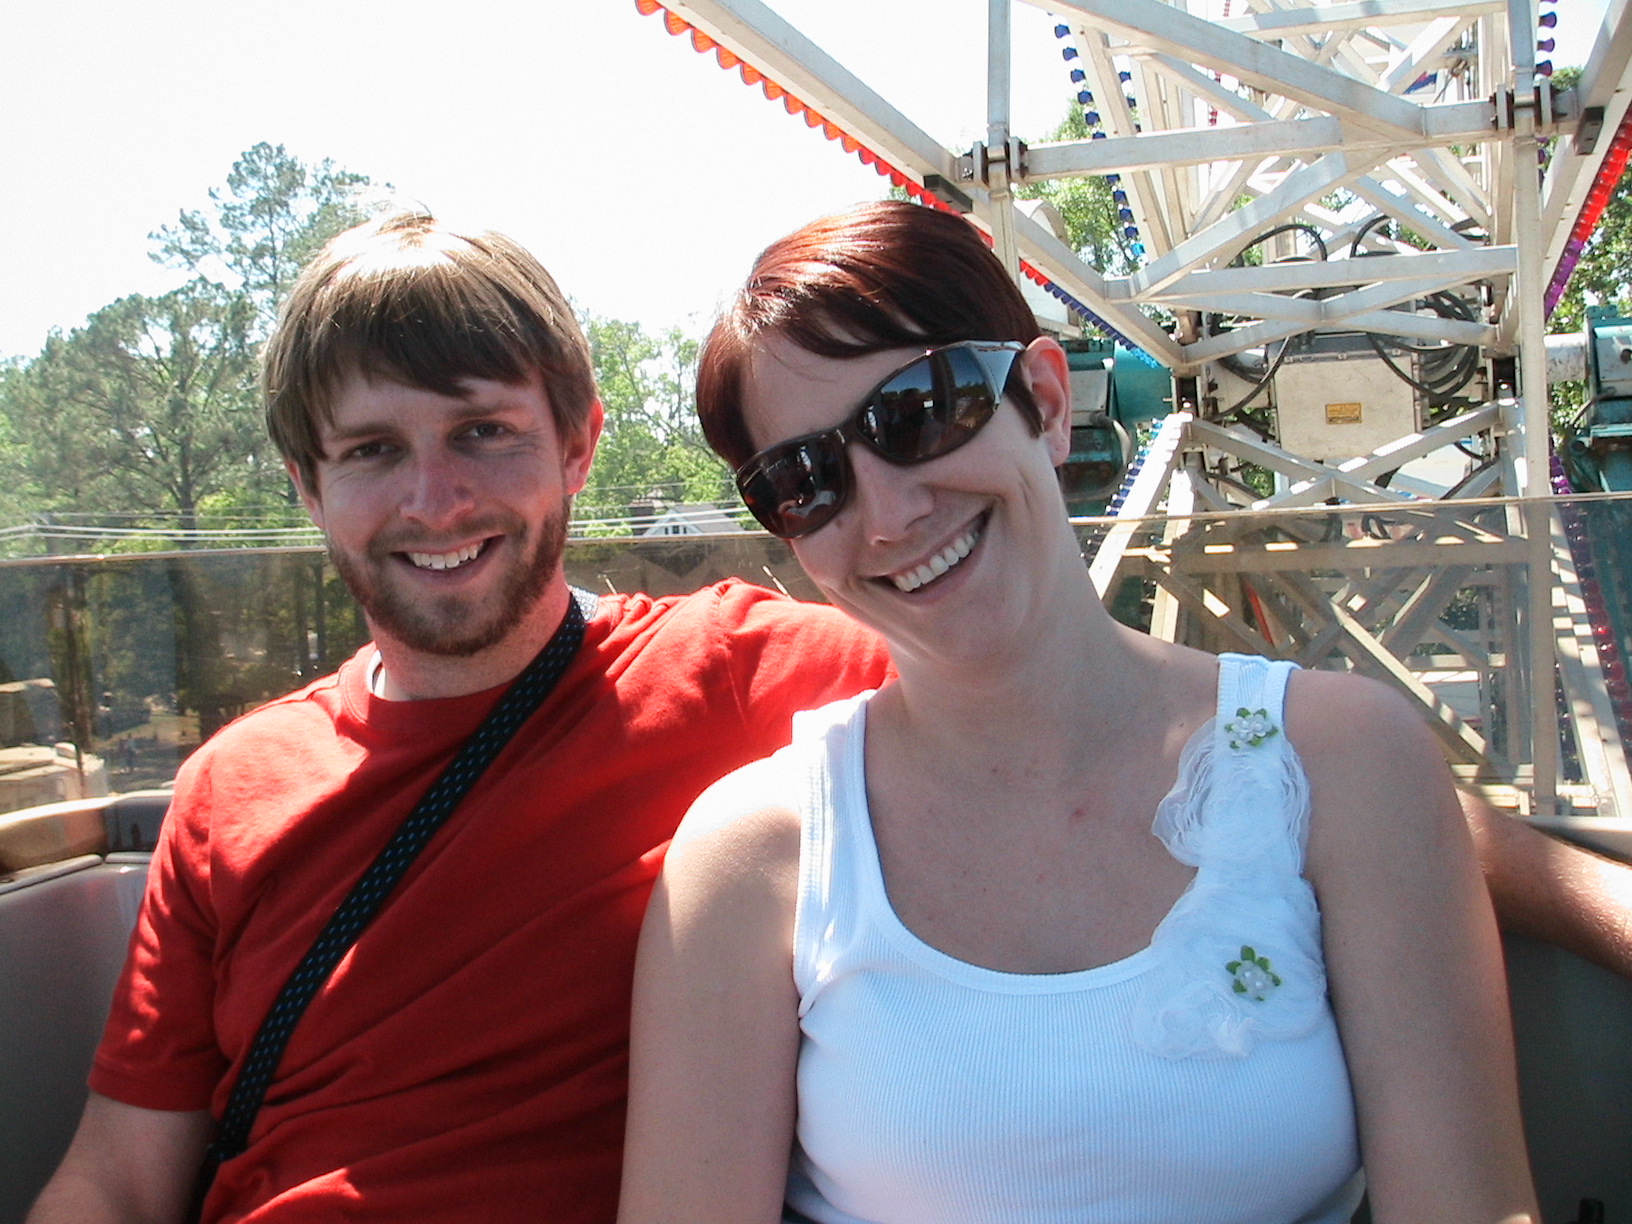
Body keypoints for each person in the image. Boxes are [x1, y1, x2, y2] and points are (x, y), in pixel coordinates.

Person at [617, 201, 1540, 1224]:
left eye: (920, 412)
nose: (888, 515)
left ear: (1048, 402)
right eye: (805, 480)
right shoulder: (757, 859)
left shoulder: (1345, 762)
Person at [26, 212, 892, 1224]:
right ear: (309, 488)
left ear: (577, 445)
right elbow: (120, 1179)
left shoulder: (752, 677)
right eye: (372, 449)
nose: (435, 501)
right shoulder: (229, 787)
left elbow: (1023, 701)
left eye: (482, 431)